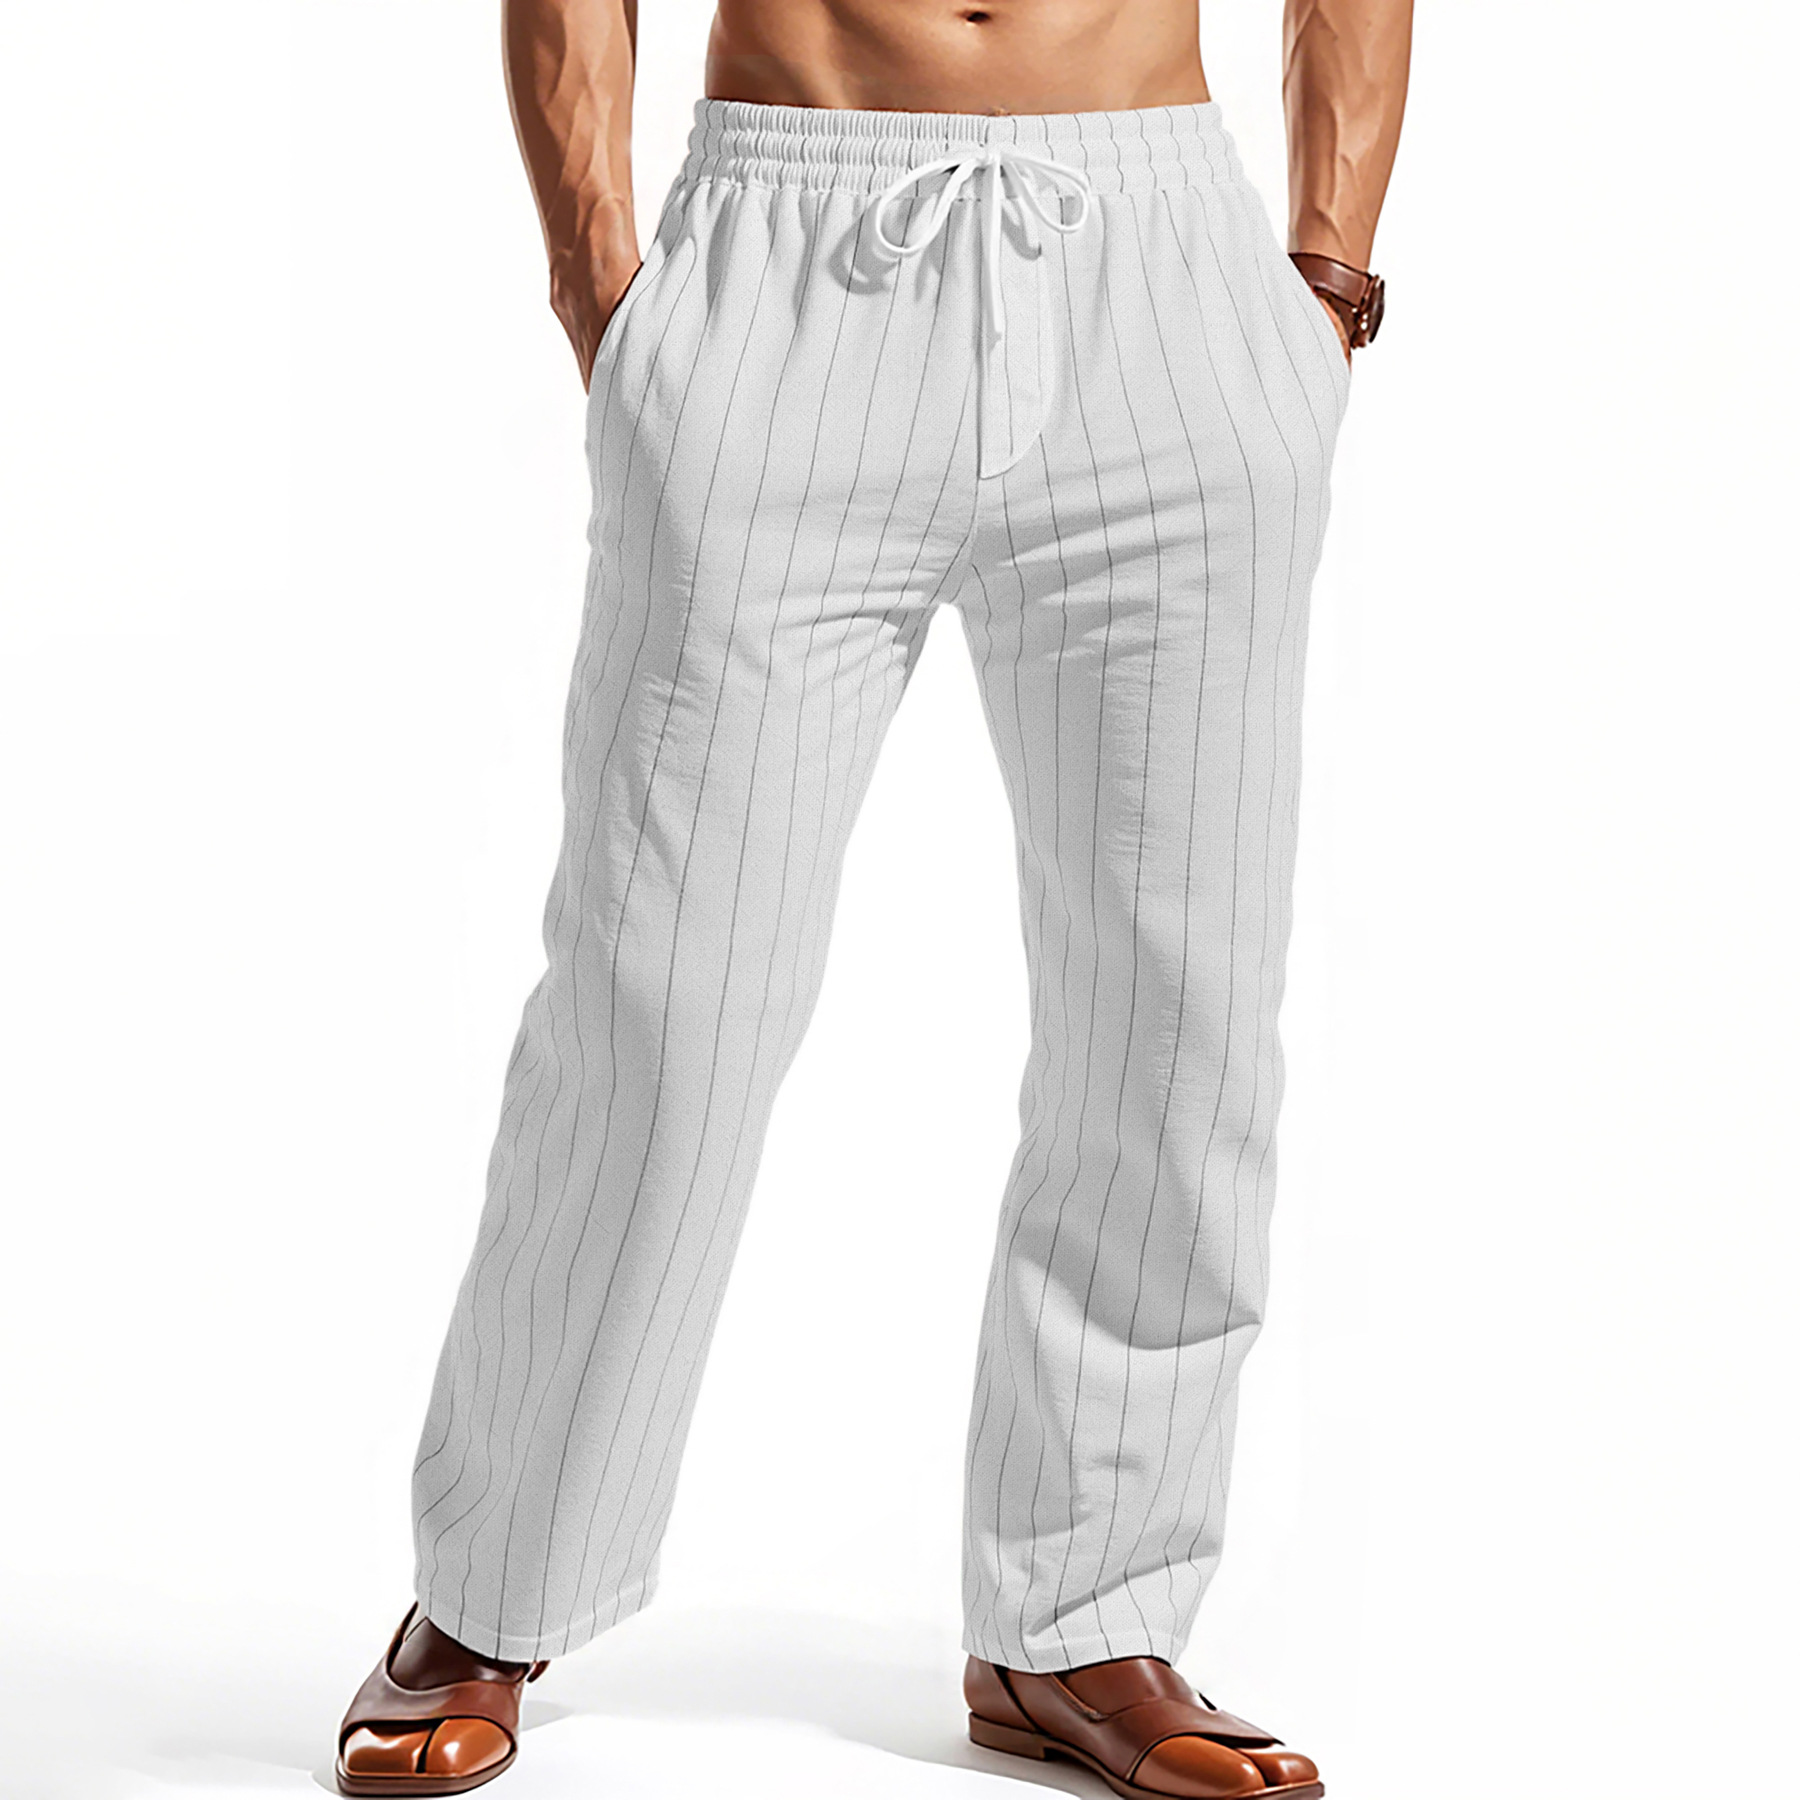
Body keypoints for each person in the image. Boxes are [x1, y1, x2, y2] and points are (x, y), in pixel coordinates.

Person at [335, 0, 1409, 1792]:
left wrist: (1323, 283)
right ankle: (493, 1585)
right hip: (789, 250)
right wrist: (604, 292)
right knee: (661, 1001)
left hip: (1160, 268)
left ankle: (1085, 1619)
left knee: (1180, 1015)